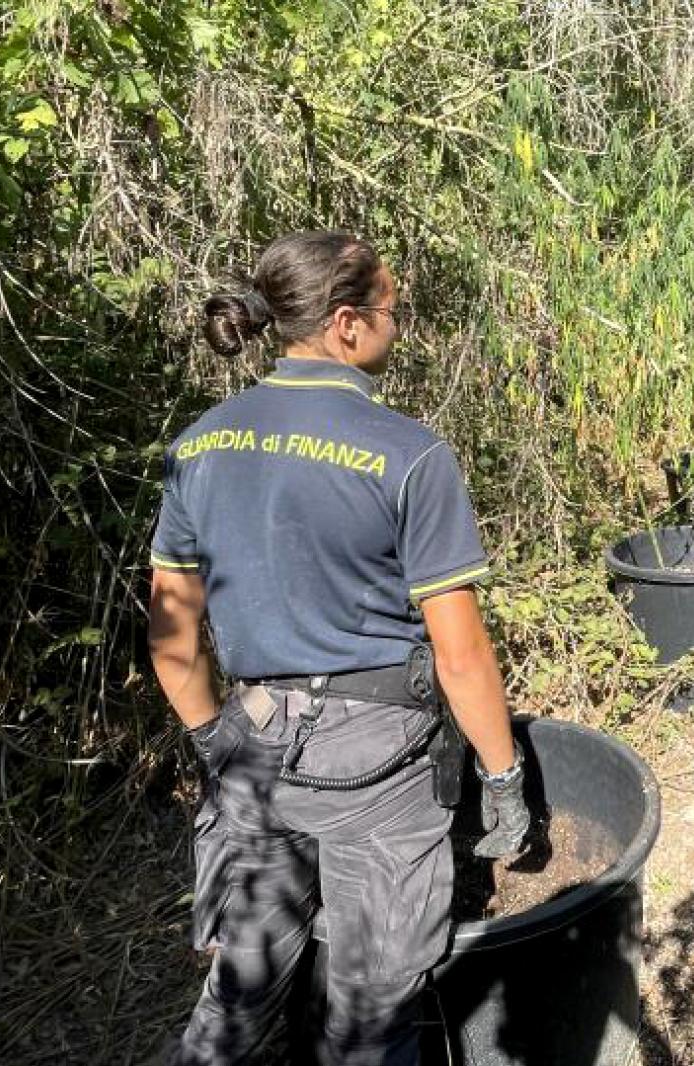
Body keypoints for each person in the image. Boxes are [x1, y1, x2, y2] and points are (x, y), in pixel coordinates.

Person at [147, 231, 530, 1064]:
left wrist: (216, 742)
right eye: (393, 308)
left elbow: (172, 637)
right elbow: (462, 656)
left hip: (252, 749)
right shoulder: (409, 455)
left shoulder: (197, 447)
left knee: (240, 996)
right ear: (348, 324)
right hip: (378, 771)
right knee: (369, 1013)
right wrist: (504, 778)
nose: (399, 323)